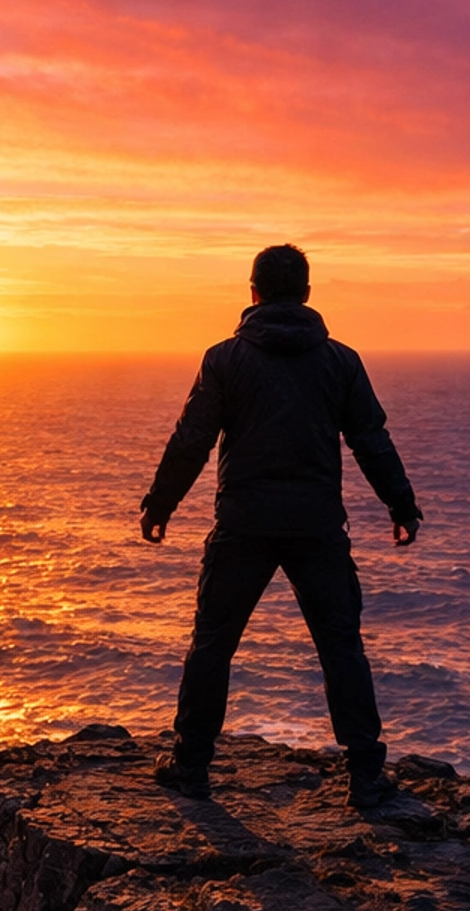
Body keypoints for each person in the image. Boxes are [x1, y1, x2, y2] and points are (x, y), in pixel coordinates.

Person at [140, 243, 421, 808]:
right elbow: (370, 438)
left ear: (252, 294)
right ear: (307, 295)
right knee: (341, 646)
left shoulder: (224, 359)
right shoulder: (340, 360)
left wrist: (161, 503)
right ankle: (365, 774)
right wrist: (401, 505)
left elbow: (193, 438)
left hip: (242, 524)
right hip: (317, 526)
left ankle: (191, 765)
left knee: (213, 644)